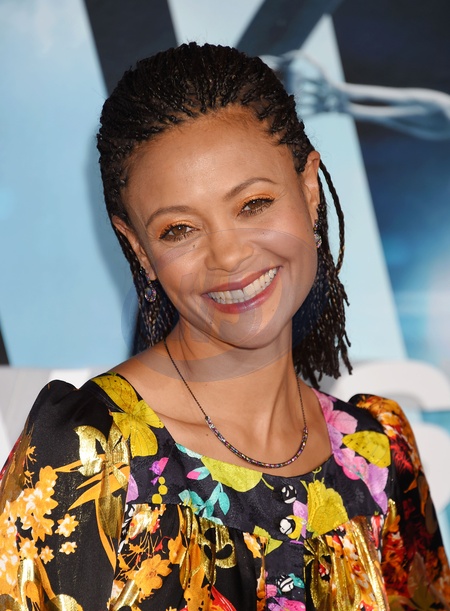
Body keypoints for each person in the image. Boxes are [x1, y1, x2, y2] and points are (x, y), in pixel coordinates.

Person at [0, 42, 449, 610]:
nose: (230, 256)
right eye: (179, 230)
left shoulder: (379, 456)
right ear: (138, 248)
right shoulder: (86, 456)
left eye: (253, 204)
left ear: (309, 189)